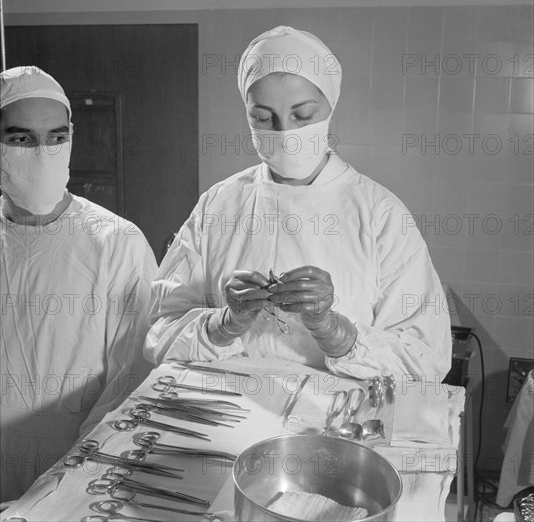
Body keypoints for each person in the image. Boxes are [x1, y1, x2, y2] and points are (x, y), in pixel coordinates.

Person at [145, 26, 451, 382]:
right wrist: (223, 325)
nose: (285, 133)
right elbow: (158, 332)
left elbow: (427, 361)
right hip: (231, 416)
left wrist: (336, 332)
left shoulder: (380, 214)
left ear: (330, 107)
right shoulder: (219, 206)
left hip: (335, 425)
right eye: (263, 118)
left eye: (302, 115)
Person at [0, 66, 157, 501]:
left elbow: (134, 376)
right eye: (21, 139)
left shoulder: (116, 243)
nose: (43, 152)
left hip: (79, 459)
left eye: (56, 137)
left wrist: (78, 470)